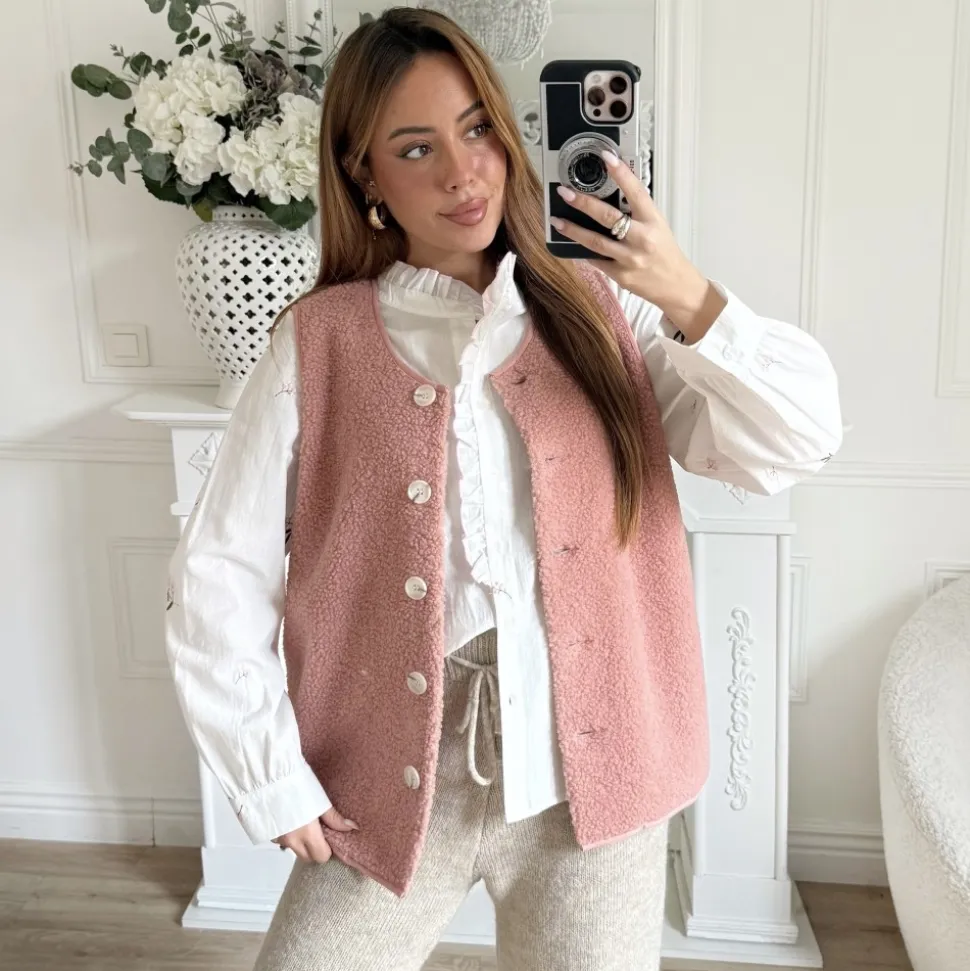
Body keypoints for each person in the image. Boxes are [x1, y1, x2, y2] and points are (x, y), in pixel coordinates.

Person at [165, 7, 842, 970]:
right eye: (416, 147)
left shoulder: (606, 311)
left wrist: (686, 292)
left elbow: (797, 439)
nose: (462, 171)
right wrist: (269, 774)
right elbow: (218, 572)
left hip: (595, 779)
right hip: (393, 772)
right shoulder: (318, 342)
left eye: (478, 127)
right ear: (365, 175)